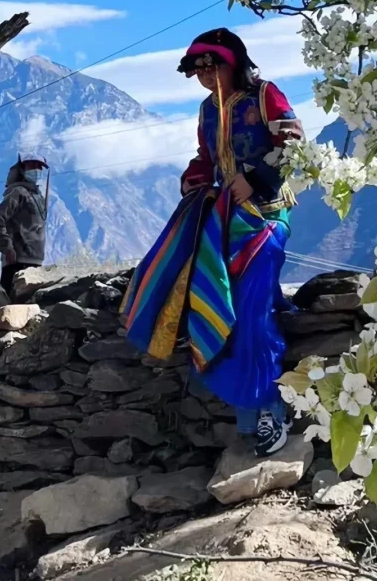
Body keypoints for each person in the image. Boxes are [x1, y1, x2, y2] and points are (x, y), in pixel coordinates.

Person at [121, 27, 304, 458]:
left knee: (253, 309)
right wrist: (195, 180)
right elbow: (207, 158)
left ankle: (268, 411)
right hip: (224, 220)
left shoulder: (265, 95)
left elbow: (293, 142)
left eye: (212, 65)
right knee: (220, 304)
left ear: (233, 61)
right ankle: (253, 414)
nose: (205, 75)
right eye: (197, 69)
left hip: (267, 218)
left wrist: (255, 177)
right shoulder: (206, 111)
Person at [0, 156, 49, 294]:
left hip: (35, 260)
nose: (37, 170)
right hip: (17, 261)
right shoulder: (18, 193)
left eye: (39, 167)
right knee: (11, 308)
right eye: (32, 166)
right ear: (21, 170)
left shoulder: (38, 196)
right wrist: (7, 247)